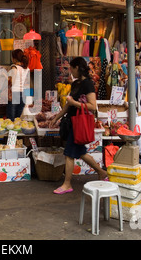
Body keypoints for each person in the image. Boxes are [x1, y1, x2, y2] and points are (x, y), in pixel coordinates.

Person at [50, 57, 108, 194]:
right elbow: (67, 105)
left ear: (77, 68)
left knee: (69, 154)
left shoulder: (88, 84)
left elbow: (93, 106)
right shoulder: (76, 84)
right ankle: (101, 172)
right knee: (80, 152)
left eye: (71, 68)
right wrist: (56, 117)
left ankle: (67, 184)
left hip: (79, 123)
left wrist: (75, 104)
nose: (70, 71)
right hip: (72, 122)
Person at [6, 49, 30, 120]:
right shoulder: (26, 68)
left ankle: (11, 131)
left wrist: (5, 76)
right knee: (18, 118)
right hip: (23, 94)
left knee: (11, 118)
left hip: (14, 94)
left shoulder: (14, 67)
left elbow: (11, 82)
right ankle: (16, 131)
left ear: (14, 58)